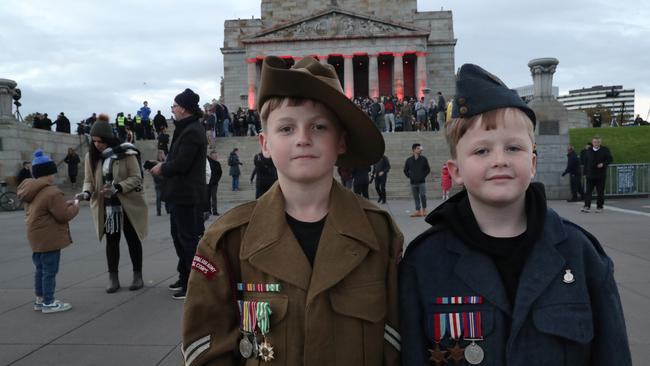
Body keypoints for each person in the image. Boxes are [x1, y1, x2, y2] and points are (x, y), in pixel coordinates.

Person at [399, 64, 631, 366]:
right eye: (481, 151)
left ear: (532, 163)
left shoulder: (581, 254)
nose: (499, 161)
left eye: (513, 148)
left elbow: (612, 355)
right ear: (455, 171)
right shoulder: (424, 262)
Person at [182, 56, 402, 366]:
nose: (302, 139)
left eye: (319, 126)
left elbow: (395, 344)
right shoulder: (227, 240)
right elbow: (208, 350)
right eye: (286, 128)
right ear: (265, 143)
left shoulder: (380, 233)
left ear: (341, 141)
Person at [76, 114, 148, 294]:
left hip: (127, 203)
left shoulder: (126, 152)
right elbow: (88, 180)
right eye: (93, 141)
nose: (96, 145)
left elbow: (136, 177)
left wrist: (117, 187)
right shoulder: (91, 156)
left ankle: (137, 275)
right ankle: (113, 277)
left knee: (132, 238)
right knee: (112, 240)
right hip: (107, 206)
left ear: (108, 138)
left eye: (100, 141)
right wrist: (85, 192)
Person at [149, 88, 207, 300]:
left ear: (183, 108)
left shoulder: (192, 130)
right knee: (179, 237)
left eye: (174, 105)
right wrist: (163, 164)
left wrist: (162, 169)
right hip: (180, 193)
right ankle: (184, 276)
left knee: (187, 239)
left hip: (186, 194)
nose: (172, 109)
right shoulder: (186, 128)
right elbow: (179, 159)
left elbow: (183, 164)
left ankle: (192, 284)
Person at [17, 149, 79, 313]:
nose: (54, 176)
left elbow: (44, 209)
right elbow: (63, 216)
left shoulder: (30, 189)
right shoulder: (51, 191)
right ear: (49, 173)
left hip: (35, 237)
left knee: (40, 269)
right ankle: (49, 302)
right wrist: (75, 206)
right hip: (49, 237)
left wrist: (63, 203)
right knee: (50, 271)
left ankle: (40, 299)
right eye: (53, 172)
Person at [581, 136, 613, 213]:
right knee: (588, 191)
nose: (596, 143)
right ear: (592, 143)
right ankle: (587, 206)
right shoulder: (588, 150)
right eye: (595, 142)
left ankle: (599, 207)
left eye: (598, 142)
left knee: (600, 192)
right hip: (590, 175)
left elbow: (610, 159)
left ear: (600, 142)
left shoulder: (605, 150)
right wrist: (585, 173)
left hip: (600, 175)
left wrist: (603, 164)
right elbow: (585, 162)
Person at [403, 143, 430, 217]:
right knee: (416, 197)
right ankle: (418, 211)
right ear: (414, 150)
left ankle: (424, 209)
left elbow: (428, 169)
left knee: (423, 195)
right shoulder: (409, 160)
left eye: (420, 148)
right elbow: (405, 170)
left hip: (421, 182)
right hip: (413, 182)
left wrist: (422, 176)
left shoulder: (424, 159)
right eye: (418, 148)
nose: (420, 149)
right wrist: (410, 176)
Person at [151, 150, 169, 216]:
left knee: (167, 196)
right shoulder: (155, 163)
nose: (161, 155)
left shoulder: (166, 162)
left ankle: (168, 209)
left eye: (162, 154)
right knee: (158, 197)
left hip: (165, 183)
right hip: (158, 183)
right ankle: (158, 211)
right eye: (160, 154)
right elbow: (153, 172)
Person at [206, 151, 222, 215]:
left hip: (214, 184)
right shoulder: (207, 162)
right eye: (215, 156)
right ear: (211, 156)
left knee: (214, 197)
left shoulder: (217, 163)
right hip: (207, 183)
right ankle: (208, 210)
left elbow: (220, 172)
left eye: (216, 156)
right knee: (207, 197)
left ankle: (214, 210)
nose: (216, 157)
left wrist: (216, 180)